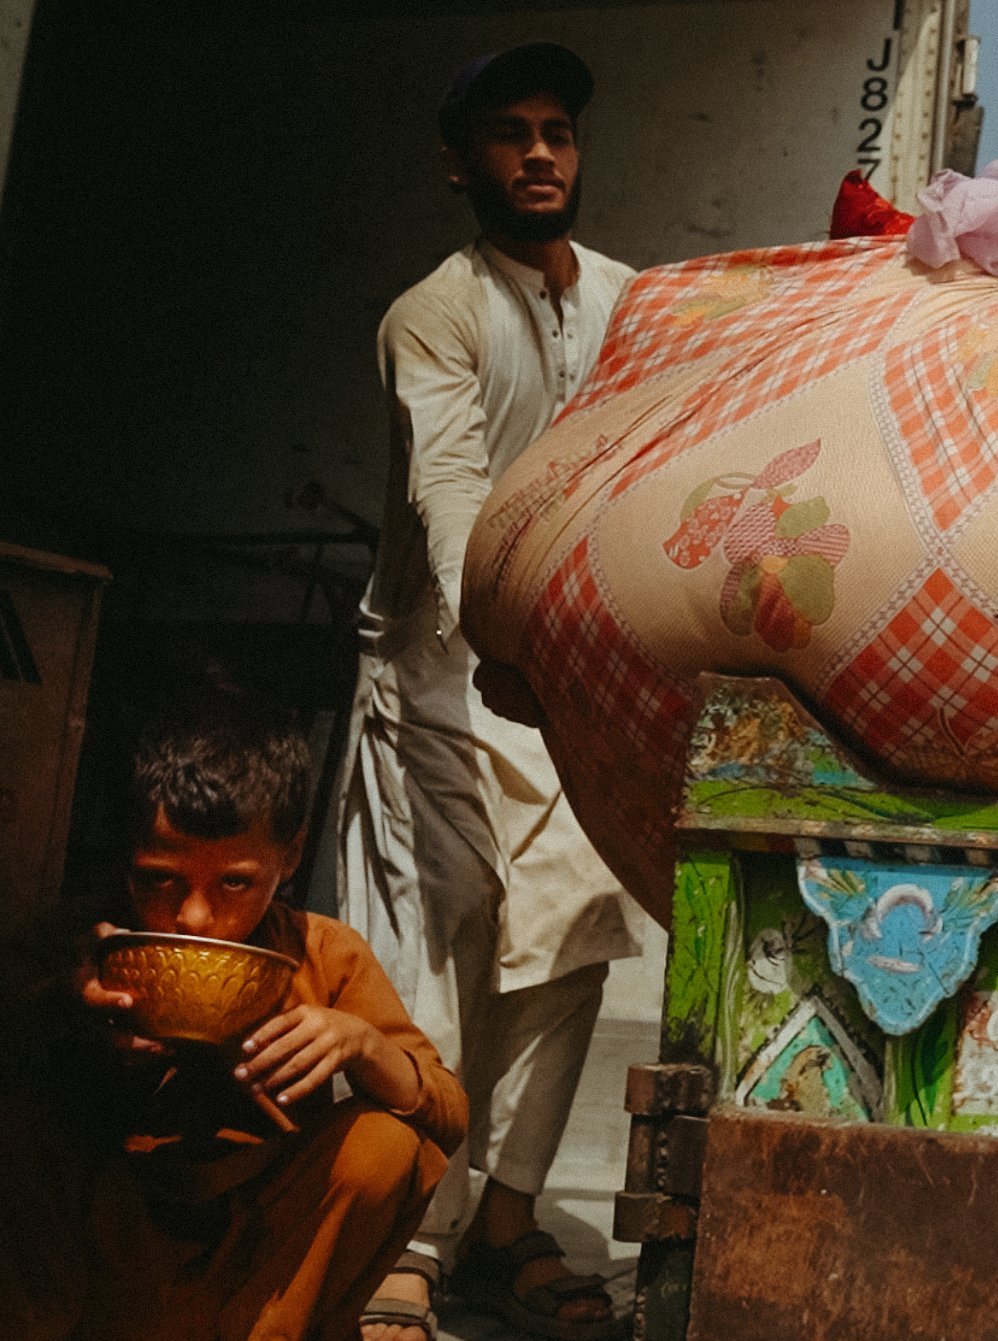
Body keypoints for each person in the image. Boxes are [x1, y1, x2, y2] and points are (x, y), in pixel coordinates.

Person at [339, 41, 638, 1340]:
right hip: (441, 675)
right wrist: (496, 643)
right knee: (440, 944)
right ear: (461, 162)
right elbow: (449, 490)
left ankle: (505, 1219)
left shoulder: (632, 302)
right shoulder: (435, 311)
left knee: (569, 936)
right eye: (510, 134)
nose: (538, 154)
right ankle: (406, 1232)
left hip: (566, 675)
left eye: (557, 132)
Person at [0, 687, 467, 1341]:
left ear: (291, 856)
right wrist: (65, 1010)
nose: (193, 914)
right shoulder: (84, 943)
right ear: (126, 859)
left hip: (259, 1272)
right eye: (159, 879)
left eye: (235, 883)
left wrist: (362, 1045)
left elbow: (447, 1111)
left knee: (385, 1143)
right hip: (108, 1260)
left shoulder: (323, 953)